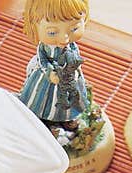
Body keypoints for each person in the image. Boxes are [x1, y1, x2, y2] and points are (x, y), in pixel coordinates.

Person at [18, 0, 91, 129]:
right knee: (42, 98)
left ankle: (67, 118)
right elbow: (42, 60)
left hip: (69, 79)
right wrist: (50, 73)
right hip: (46, 79)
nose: (65, 39)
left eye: (74, 29)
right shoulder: (44, 48)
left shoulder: (72, 47)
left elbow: (75, 57)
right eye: (52, 32)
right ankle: (40, 116)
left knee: (70, 100)